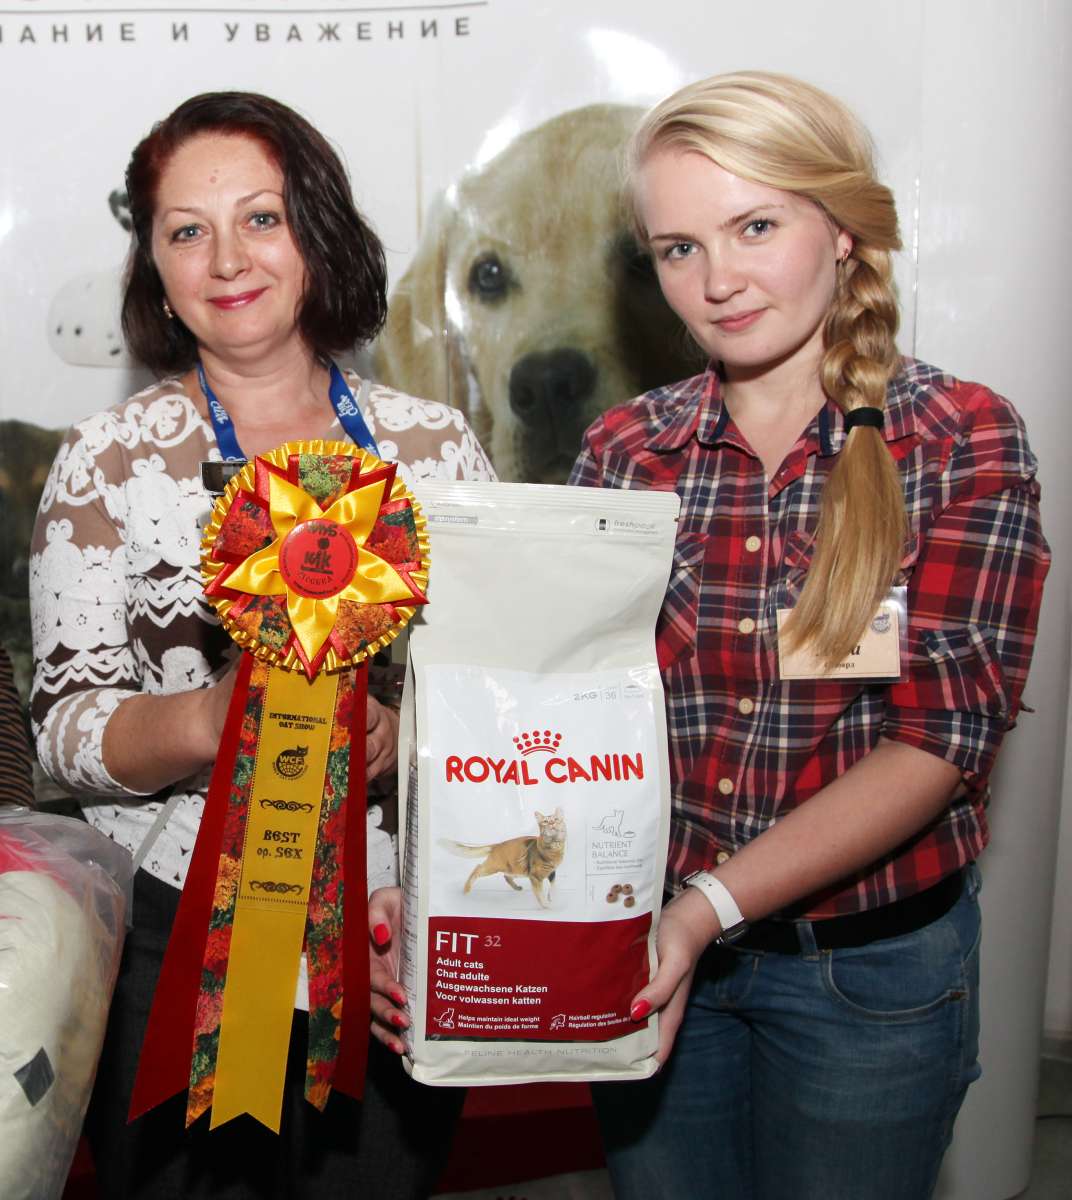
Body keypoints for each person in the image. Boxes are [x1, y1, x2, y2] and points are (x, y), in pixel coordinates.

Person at [566, 72, 1049, 1199]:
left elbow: (939, 743)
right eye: (678, 248)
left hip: (867, 978)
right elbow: (578, 710)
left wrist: (709, 908)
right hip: (652, 952)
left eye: (755, 227)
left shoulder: (960, 439)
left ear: (841, 231)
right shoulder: (625, 451)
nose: (717, 281)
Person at [30, 91, 494, 1199]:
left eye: (262, 218)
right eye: (187, 230)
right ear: (155, 267)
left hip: (387, 925)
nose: (228, 259)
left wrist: (399, 737)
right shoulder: (108, 460)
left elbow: (499, 700)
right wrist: (217, 717)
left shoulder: (432, 448)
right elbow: (63, 734)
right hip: (170, 931)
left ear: (316, 234)